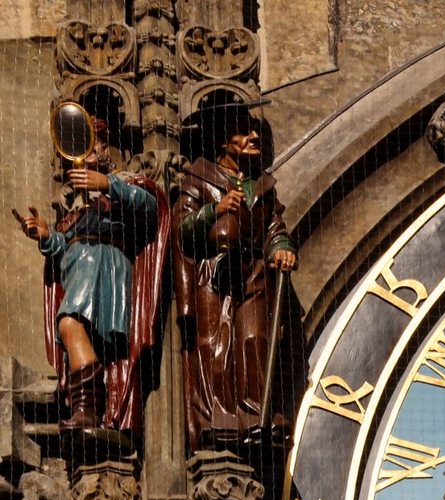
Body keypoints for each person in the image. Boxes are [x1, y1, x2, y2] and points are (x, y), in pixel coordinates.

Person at [11, 117, 167, 436]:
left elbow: (151, 207)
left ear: (103, 145)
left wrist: (109, 184)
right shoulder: (73, 201)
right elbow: (64, 244)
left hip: (103, 263)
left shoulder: (123, 181)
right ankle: (88, 411)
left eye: (88, 143)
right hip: (76, 265)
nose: (81, 154)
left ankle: (88, 411)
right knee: (73, 329)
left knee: (69, 324)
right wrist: (45, 236)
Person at [173, 96, 298, 450]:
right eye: (243, 131)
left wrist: (282, 248)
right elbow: (181, 230)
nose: (254, 136)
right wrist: (213, 210)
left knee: (254, 338)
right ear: (222, 141)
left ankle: (258, 416)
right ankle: (223, 420)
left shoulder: (263, 187)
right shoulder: (199, 178)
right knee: (217, 346)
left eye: (254, 129)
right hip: (214, 274)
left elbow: (275, 227)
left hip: (254, 271)